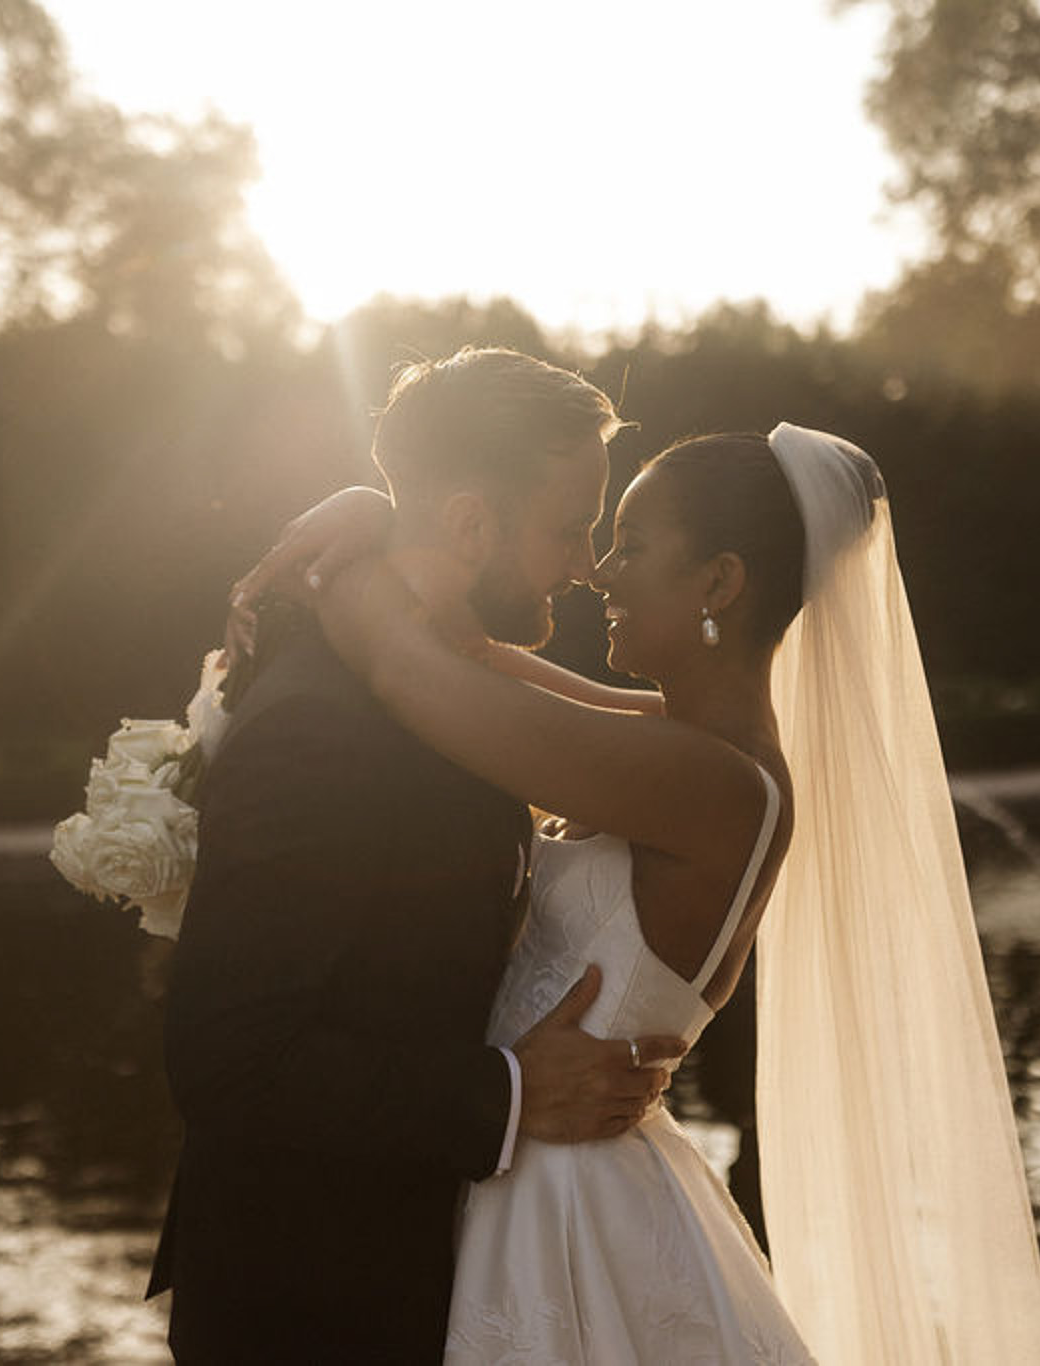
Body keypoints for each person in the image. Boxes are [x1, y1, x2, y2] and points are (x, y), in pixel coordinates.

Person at [246, 421, 1040, 1362]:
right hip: (529, 1166)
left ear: (718, 582)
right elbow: (469, 656)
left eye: (630, 546)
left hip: (567, 1211)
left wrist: (322, 566)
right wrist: (365, 507)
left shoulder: (714, 785)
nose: (598, 572)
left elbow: (408, 670)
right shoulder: (679, 742)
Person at [147, 348, 688, 1363]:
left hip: (410, 1276)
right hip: (303, 1304)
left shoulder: (433, 682)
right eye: (569, 528)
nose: (584, 563)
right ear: (469, 523)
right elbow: (224, 1057)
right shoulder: (320, 729)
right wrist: (510, 1092)